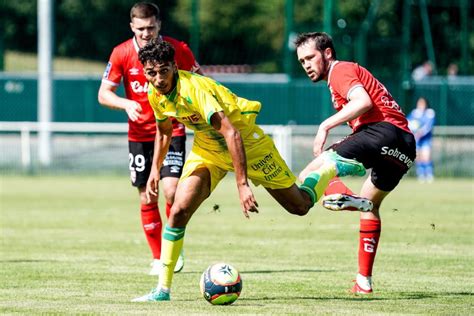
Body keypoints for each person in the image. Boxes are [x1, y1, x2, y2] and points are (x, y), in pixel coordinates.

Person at [131, 40, 369, 302]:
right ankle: (162, 290)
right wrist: (155, 169)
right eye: (151, 73)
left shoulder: (193, 89)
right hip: (209, 149)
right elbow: (164, 133)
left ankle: (331, 167)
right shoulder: (155, 93)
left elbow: (231, 133)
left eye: (163, 71)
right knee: (178, 211)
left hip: (248, 144)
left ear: (175, 67)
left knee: (300, 206)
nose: (158, 78)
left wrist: (242, 184)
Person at [294, 32, 416, 294]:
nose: (305, 65)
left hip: (382, 132)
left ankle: (343, 191)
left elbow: (363, 102)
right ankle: (363, 282)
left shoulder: (340, 70)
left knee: (308, 173)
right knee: (370, 204)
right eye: (301, 60)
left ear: (327, 53)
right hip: (405, 146)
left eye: (310, 57)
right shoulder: (339, 78)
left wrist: (324, 125)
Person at [98, 2, 202, 276]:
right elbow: (103, 94)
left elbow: (201, 80)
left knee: (170, 190)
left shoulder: (176, 49)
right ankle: (158, 258)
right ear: (132, 26)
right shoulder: (121, 53)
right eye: (141, 28)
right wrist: (125, 104)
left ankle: (172, 249)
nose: (146, 33)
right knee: (147, 196)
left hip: (171, 130)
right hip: (139, 135)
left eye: (151, 27)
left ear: (159, 25)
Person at [407, 97, 436, 182]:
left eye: (423, 103)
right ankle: (421, 175)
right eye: (419, 103)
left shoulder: (430, 113)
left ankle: (429, 175)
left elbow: (429, 126)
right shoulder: (414, 113)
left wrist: (420, 132)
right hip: (417, 139)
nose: (421, 105)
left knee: (426, 157)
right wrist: (413, 130)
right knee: (418, 157)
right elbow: (408, 122)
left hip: (426, 140)